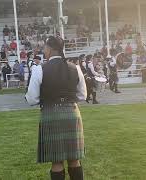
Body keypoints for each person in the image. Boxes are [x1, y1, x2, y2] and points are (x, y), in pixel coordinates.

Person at [25, 36, 86, 180]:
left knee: (57, 161)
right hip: (72, 113)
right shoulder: (75, 67)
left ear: (50, 48)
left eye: (45, 47)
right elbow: (83, 95)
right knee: (74, 159)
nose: (44, 50)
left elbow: (32, 99)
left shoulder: (39, 69)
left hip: (51, 114)